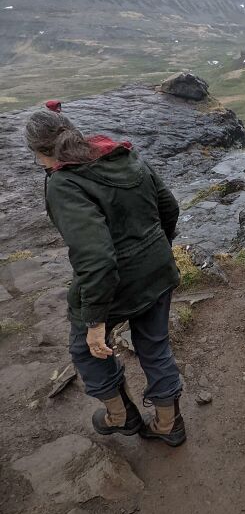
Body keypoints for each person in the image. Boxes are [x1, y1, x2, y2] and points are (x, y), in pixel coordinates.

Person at [25, 108, 186, 447]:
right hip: (157, 271)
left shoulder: (64, 182)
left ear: (39, 153)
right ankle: (168, 424)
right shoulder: (124, 155)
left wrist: (96, 320)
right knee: (155, 347)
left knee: (86, 349)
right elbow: (169, 208)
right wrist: (156, 253)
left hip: (116, 285)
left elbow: (97, 260)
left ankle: (119, 416)